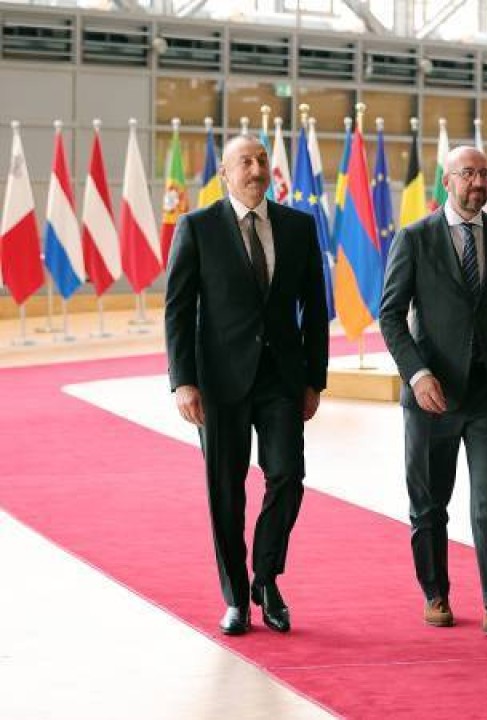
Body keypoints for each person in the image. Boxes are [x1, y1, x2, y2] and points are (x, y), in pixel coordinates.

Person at [164, 135, 329, 636]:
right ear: (226, 174)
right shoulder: (197, 228)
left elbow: (315, 308)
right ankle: (236, 598)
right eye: (245, 163)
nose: (256, 170)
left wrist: (314, 379)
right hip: (219, 384)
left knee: (288, 476)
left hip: (281, 379)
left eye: (261, 161)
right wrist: (183, 382)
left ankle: (266, 577)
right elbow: (177, 309)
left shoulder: (299, 226)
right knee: (226, 491)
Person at [380, 145, 487, 637]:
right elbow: (390, 315)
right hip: (433, 396)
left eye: (485, 174)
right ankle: (435, 593)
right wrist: (417, 375)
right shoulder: (415, 238)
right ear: (447, 181)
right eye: (468, 174)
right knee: (429, 504)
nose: (479, 182)